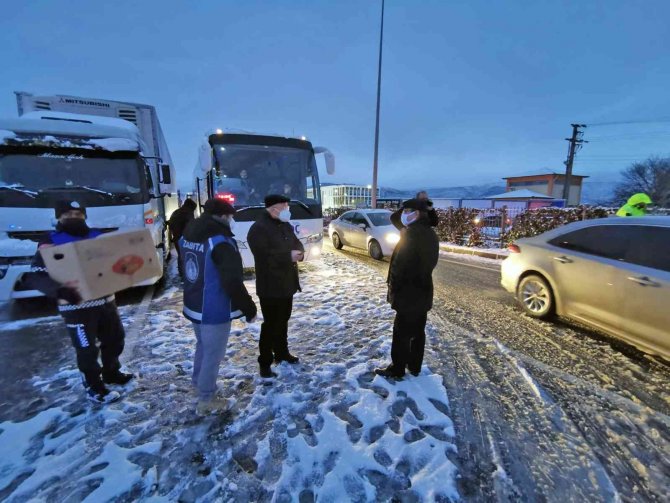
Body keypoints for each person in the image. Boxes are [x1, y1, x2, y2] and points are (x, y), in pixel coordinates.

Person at [23, 201, 134, 404]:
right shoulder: (50, 241)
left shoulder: (96, 236)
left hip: (105, 302)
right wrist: (60, 291)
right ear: (58, 218)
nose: (74, 217)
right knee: (86, 349)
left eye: (78, 213)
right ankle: (94, 386)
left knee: (115, 339)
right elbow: (36, 276)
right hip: (76, 308)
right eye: (68, 214)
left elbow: (112, 263)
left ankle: (112, 373)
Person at [180, 198, 257, 415]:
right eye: (231, 216)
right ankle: (207, 399)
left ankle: (198, 383)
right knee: (213, 353)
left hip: (194, 302)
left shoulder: (190, 234)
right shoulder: (220, 242)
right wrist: (248, 308)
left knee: (203, 346)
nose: (232, 220)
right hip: (214, 308)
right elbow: (232, 281)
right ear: (223, 216)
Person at [376, 198, 439, 379]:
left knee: (401, 333)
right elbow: (396, 218)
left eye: (407, 210)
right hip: (423, 291)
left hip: (408, 293)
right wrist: (423, 207)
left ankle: (397, 369)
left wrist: (394, 288)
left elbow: (400, 267)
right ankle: (414, 366)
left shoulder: (412, 235)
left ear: (417, 213)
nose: (403, 214)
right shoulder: (428, 232)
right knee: (418, 331)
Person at [247, 194, 304, 378]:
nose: (287, 209)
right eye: (284, 206)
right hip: (270, 286)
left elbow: (296, 242)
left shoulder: (284, 224)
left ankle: (282, 353)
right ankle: (265, 363)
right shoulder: (258, 229)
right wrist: (288, 256)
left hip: (287, 284)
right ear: (273, 208)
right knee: (270, 325)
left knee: (283, 321)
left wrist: (300, 253)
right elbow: (263, 257)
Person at [167, 198, 197, 276]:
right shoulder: (188, 213)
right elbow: (191, 227)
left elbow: (170, 225)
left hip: (176, 238)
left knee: (180, 255)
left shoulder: (175, 212)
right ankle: (187, 274)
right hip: (185, 239)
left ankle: (181, 273)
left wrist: (172, 237)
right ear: (190, 207)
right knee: (188, 255)